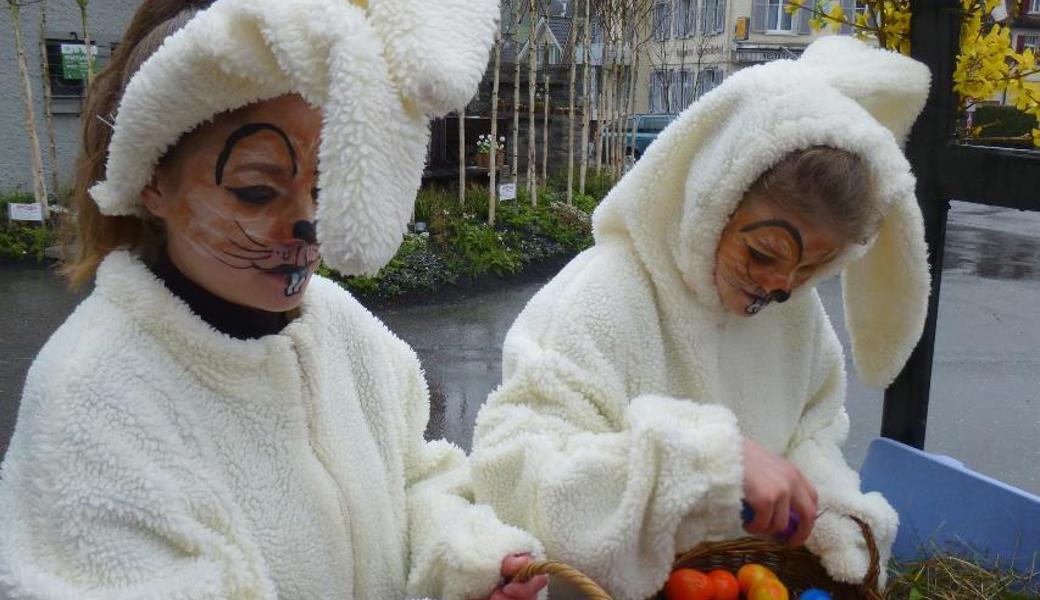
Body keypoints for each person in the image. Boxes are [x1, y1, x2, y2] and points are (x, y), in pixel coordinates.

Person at [0, 1, 549, 598]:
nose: (307, 222)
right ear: (151, 179)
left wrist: (465, 562)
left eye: (323, 186)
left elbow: (415, 480)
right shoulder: (93, 405)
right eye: (258, 191)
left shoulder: (345, 330)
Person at [471, 37, 932, 599]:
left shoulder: (799, 321)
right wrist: (703, 467)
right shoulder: (601, 298)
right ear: (712, 198)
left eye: (812, 267)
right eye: (763, 253)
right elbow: (513, 474)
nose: (781, 286)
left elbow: (812, 431)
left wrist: (827, 510)